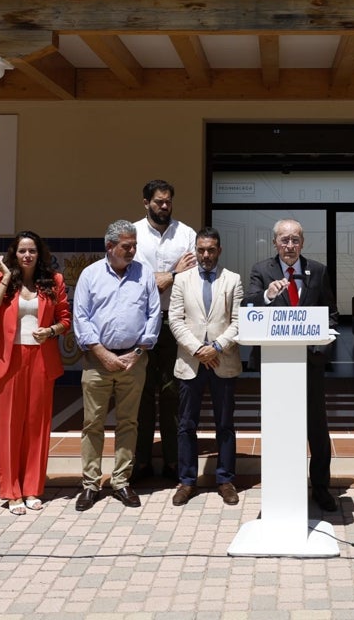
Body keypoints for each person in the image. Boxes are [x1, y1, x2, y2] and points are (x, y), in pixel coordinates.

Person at [244, 218, 339, 513]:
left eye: (295, 239)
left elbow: (332, 316)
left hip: (309, 365)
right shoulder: (262, 270)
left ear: (303, 242)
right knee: (279, 427)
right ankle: (281, 487)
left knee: (317, 430)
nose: (289, 245)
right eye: (284, 240)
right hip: (276, 366)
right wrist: (268, 296)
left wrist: (322, 345)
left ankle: (321, 488)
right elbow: (249, 306)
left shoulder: (318, 271)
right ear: (275, 243)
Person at [0, 231, 70, 516]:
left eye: (32, 250)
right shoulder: (1, 280)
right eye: (22, 251)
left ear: (39, 253)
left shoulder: (54, 281)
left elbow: (65, 318)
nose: (27, 255)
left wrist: (51, 331)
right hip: (10, 358)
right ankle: (10, 491)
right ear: (14, 254)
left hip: (41, 357)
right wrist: (5, 278)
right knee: (8, 425)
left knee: (37, 424)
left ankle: (31, 488)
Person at [72, 220, 161, 512]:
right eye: (127, 246)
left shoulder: (144, 273)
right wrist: (102, 352)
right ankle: (90, 484)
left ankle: (122, 481)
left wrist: (137, 351)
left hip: (133, 360)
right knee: (93, 423)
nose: (132, 251)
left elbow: (153, 314)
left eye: (134, 245)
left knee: (128, 422)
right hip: (97, 361)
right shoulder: (90, 275)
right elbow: (81, 317)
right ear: (110, 246)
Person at [169, 227, 243, 506]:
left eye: (211, 249)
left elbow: (238, 321)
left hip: (223, 361)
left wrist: (217, 347)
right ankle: (187, 481)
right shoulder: (182, 280)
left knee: (225, 424)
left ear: (219, 250)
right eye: (201, 249)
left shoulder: (232, 280)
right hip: (191, 362)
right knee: (186, 425)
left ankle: (225, 479)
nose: (206, 255)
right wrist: (198, 349)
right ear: (196, 250)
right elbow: (175, 319)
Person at [132, 179, 196, 484]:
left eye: (168, 201)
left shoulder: (186, 235)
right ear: (145, 203)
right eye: (158, 201)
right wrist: (172, 274)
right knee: (141, 395)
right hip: (140, 322)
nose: (165, 206)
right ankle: (140, 462)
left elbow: (194, 278)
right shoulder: (131, 235)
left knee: (173, 393)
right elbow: (140, 283)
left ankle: (173, 462)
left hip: (175, 322)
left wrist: (163, 278)